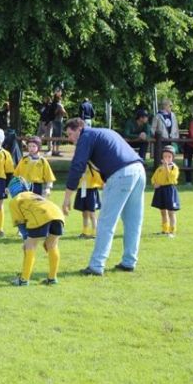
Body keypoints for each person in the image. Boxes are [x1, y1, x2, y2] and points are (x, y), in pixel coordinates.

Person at [62, 118, 145, 275]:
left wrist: (67, 197)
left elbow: (77, 166)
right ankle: (129, 261)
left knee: (106, 222)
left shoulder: (86, 136)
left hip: (122, 174)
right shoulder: (103, 132)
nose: (70, 139)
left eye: (70, 134)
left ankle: (96, 265)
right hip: (139, 170)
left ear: (79, 129)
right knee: (133, 221)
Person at [8, 176, 65, 286]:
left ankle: (23, 280)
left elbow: (21, 223)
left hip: (40, 215)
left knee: (30, 246)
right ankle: (52, 278)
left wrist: (26, 240)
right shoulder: (34, 195)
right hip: (58, 214)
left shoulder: (15, 200)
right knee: (52, 245)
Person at [151, 145, 180, 238]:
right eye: (165, 156)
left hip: (169, 190)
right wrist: (154, 183)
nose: (166, 158)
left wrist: (167, 167)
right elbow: (154, 177)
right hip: (160, 190)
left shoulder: (173, 168)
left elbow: (171, 178)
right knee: (163, 211)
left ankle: (172, 231)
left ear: (172, 157)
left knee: (171, 212)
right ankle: (165, 230)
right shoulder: (160, 168)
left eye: (169, 157)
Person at [73, 162, 104, 239]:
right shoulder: (79, 166)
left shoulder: (91, 166)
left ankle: (95, 233)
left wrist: (102, 184)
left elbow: (99, 177)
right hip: (82, 190)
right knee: (84, 213)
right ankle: (85, 232)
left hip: (91, 191)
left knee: (92, 213)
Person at [50, 89, 67, 157]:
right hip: (58, 121)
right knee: (58, 136)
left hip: (53, 121)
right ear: (59, 99)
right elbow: (65, 113)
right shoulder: (59, 105)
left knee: (54, 135)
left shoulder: (52, 104)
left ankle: (53, 150)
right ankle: (57, 151)